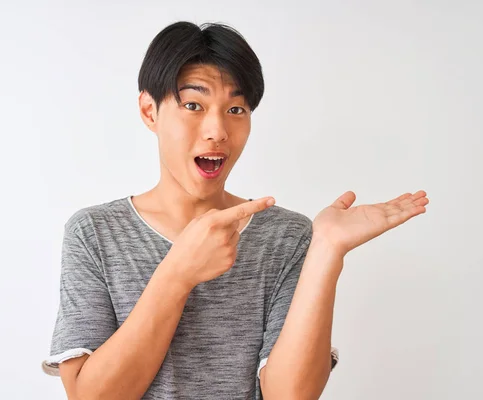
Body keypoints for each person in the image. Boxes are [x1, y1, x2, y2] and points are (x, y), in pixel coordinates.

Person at [41, 21, 429, 399]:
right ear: (149, 111)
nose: (218, 130)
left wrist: (326, 249)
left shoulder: (286, 237)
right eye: (194, 104)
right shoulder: (94, 233)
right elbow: (90, 396)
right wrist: (177, 275)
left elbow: (290, 395)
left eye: (237, 110)